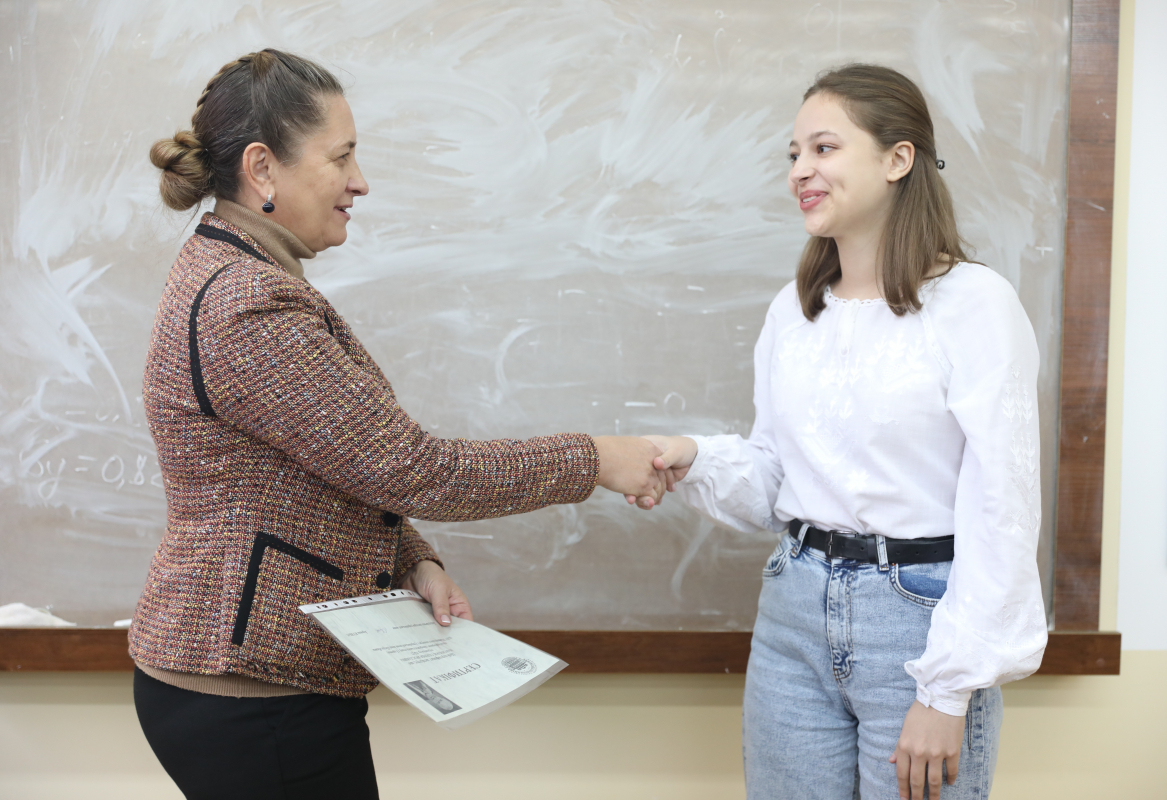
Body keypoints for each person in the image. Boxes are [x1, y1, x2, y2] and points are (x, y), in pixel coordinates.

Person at [130, 49, 665, 800]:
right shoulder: (247, 305)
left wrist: (412, 554)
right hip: (251, 696)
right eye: (342, 156)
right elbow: (414, 468)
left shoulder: (239, 274)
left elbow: (326, 463)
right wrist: (596, 459)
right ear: (262, 169)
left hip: (245, 682)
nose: (360, 181)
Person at [639, 64, 1048, 800]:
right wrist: (692, 458)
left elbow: (1004, 509)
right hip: (794, 610)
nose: (801, 171)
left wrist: (947, 691)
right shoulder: (794, 314)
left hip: (919, 624)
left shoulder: (975, 306)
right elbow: (777, 480)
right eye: (793, 155)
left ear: (899, 159)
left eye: (823, 149)